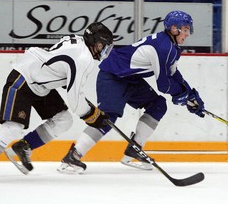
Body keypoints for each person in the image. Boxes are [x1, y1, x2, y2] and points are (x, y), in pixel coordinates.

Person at [57, 10, 205, 173]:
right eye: (185, 29)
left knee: (158, 105)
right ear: (174, 29)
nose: (187, 33)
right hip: (112, 74)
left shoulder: (172, 47)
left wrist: (190, 94)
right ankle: (73, 156)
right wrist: (181, 95)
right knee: (107, 117)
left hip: (130, 79)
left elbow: (173, 74)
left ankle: (134, 149)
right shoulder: (163, 47)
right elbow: (164, 85)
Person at [0, 22, 113, 181]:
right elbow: (75, 101)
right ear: (95, 42)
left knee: (64, 120)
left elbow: (61, 67)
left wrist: (85, 104)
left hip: (40, 83)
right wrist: (93, 116)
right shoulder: (83, 58)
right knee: (13, 127)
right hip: (25, 78)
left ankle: (24, 146)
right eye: (102, 46)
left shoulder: (77, 41)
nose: (103, 51)